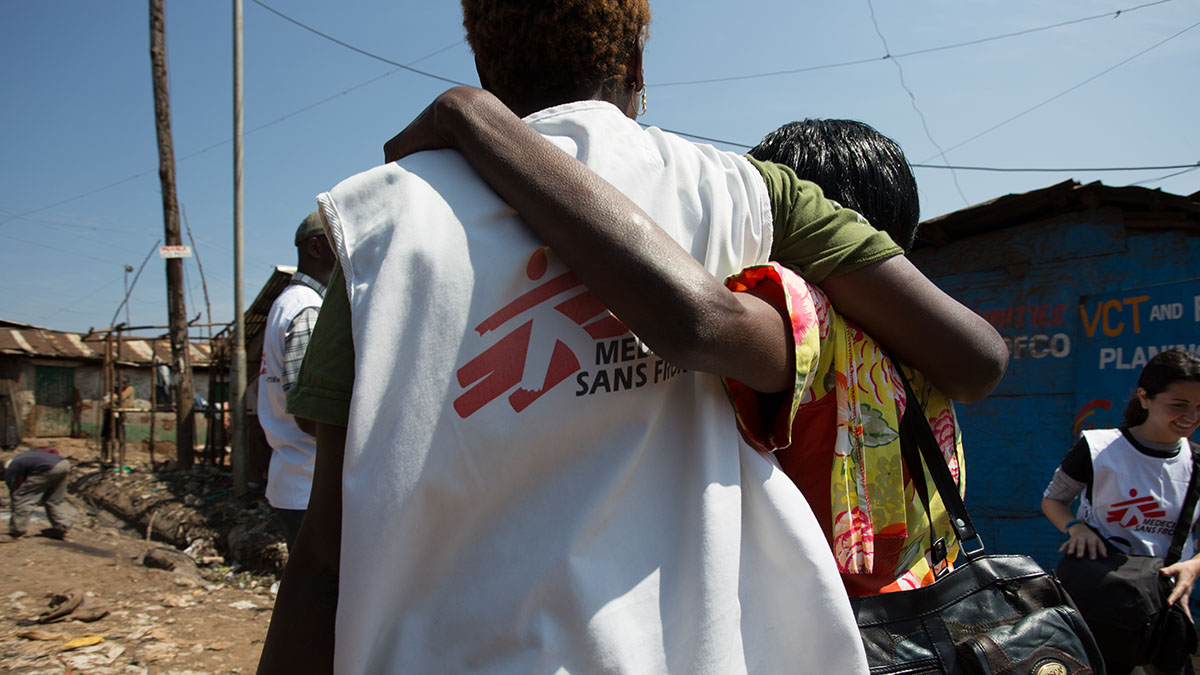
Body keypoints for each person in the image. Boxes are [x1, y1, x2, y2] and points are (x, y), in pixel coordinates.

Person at [260, 3, 1005, 673]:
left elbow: (324, 559)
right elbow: (975, 360)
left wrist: (466, 117)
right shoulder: (753, 194)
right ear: (638, 65)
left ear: (484, 65)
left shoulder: (376, 230)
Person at [391, 110, 975, 597]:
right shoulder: (926, 347)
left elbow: (693, 317)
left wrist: (474, 119)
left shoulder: (809, 326)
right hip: (930, 601)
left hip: (841, 635)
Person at [1042, 349, 1200, 674]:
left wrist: (1194, 566)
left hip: (1167, 608)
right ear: (1145, 397)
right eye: (1179, 405)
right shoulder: (1098, 448)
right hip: (1105, 601)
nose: (1191, 417)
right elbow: (1053, 500)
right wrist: (1075, 527)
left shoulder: (1197, 462)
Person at [257, 211, 336, 550]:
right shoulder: (308, 309)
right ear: (316, 248)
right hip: (310, 484)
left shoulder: (289, 304)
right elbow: (309, 414)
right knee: (323, 597)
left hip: (297, 480)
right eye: (340, 243)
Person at [5, 447, 72, 540]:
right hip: (64, 463)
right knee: (53, 499)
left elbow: (14, 487)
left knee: (22, 499)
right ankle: (62, 527)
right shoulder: (27, 456)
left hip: (46, 468)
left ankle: (17, 531)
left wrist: (15, 501)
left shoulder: (12, 467)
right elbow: (53, 450)